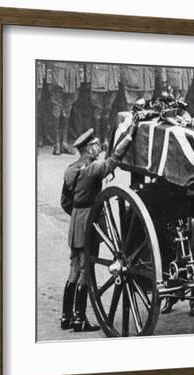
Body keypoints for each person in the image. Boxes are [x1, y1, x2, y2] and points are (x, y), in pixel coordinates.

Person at [60, 127, 134, 331]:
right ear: (88, 148)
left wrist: (77, 214)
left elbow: (65, 202)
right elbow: (114, 158)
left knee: (74, 269)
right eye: (95, 145)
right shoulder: (93, 169)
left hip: (75, 221)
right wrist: (129, 136)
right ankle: (79, 319)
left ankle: (66, 317)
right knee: (85, 270)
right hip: (88, 222)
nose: (98, 148)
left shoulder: (70, 169)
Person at [48, 62, 81, 155]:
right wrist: (49, 81)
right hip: (58, 76)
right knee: (57, 109)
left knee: (67, 109)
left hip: (72, 76)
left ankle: (64, 143)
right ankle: (57, 144)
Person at [88, 63, 120, 149]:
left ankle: (105, 140)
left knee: (107, 111)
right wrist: (88, 80)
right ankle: (97, 140)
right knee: (97, 112)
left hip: (112, 82)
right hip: (97, 80)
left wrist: (118, 79)